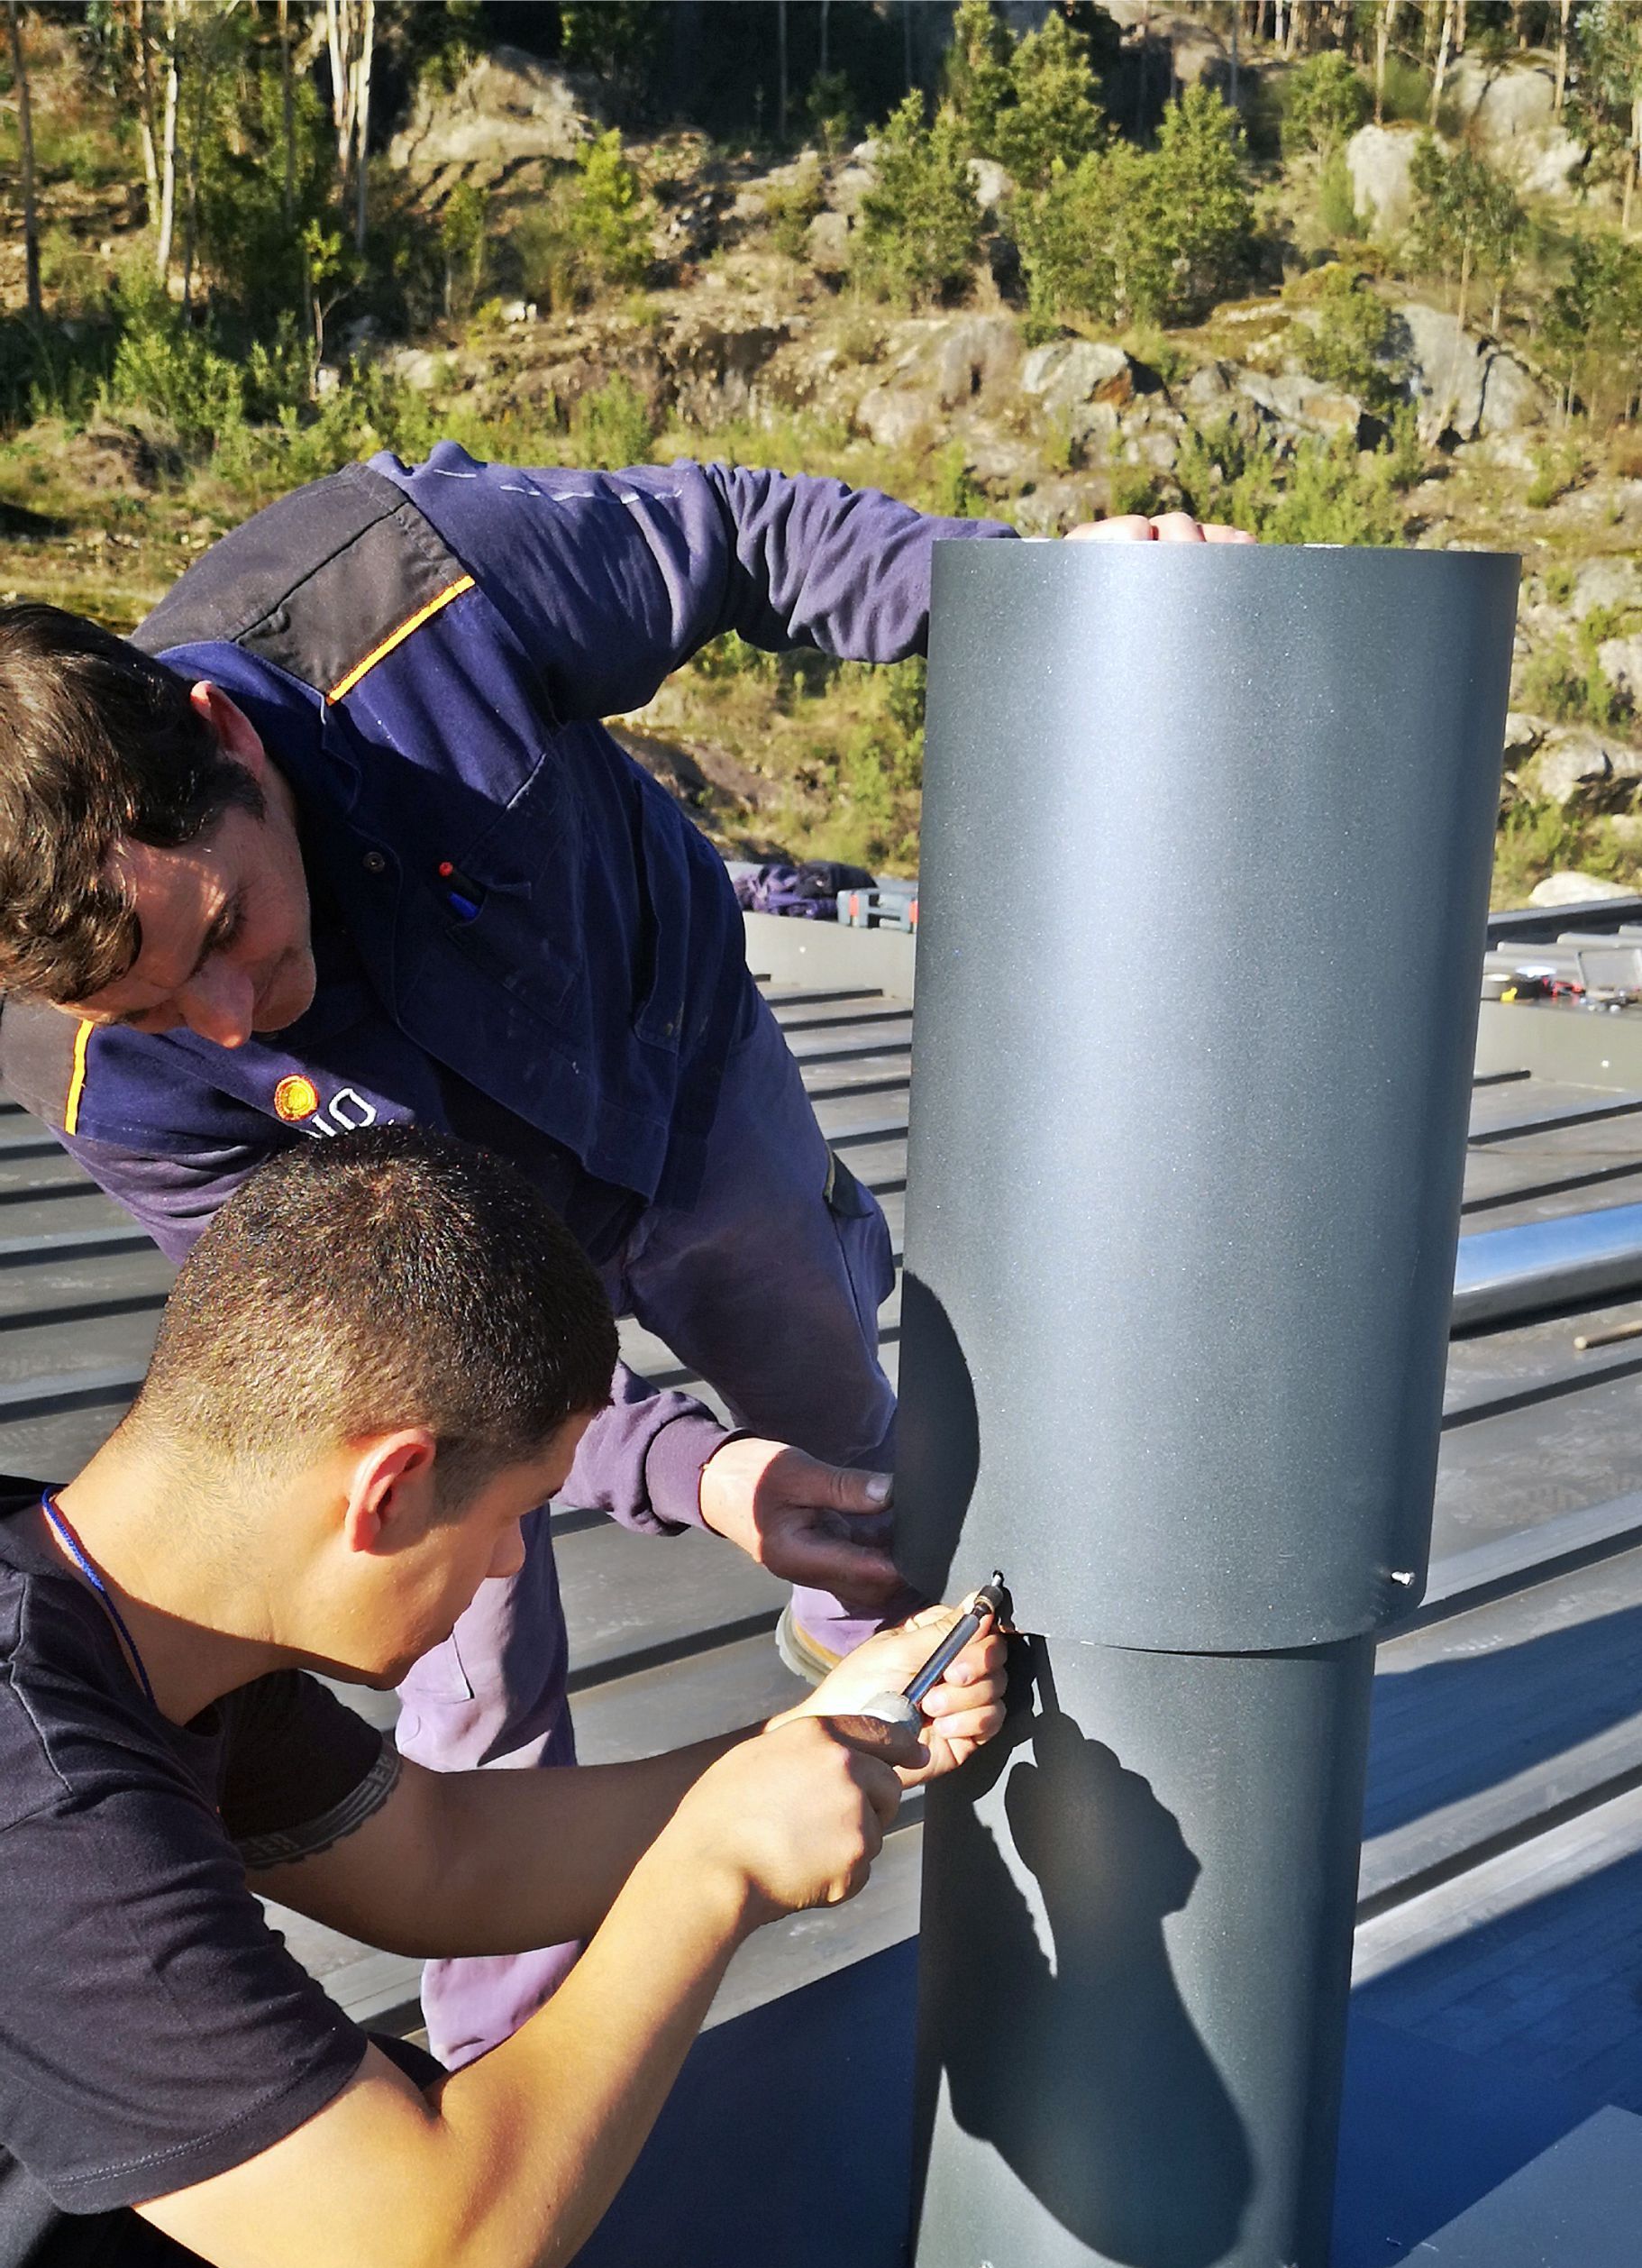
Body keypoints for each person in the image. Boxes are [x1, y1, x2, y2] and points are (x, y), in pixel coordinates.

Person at [0, 454, 1239, 2071]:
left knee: (860, 1470)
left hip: (680, 1082)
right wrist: (680, 1471)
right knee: (463, 1652)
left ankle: (877, 1665)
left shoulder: (418, 590)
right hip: (424, 1262)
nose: (231, 1022)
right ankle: (508, 2067)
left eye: (224, 931)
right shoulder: (85, 1061)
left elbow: (745, 538)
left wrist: (1045, 597)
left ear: (225, 743)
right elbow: (376, 1357)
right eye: (163, 1011)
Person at [0, 1122, 1007, 2268]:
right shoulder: (42, 1790)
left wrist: (810, 1748)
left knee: (324, 2146)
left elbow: (442, 1862)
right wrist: (710, 1875)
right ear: (385, 1489)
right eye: (503, 1526)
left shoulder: (103, 1612)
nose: (494, 1583)